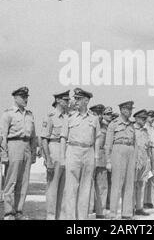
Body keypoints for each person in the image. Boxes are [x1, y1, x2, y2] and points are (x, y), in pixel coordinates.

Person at [60, 88, 100, 220]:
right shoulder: (69, 117)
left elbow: (97, 138)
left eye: (78, 99)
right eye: (75, 98)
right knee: (71, 188)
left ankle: (82, 219)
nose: (75, 101)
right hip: (73, 150)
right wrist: (62, 158)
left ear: (86, 101)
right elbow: (63, 138)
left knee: (85, 188)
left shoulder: (94, 118)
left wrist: (96, 158)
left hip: (88, 151)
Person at [0, 86, 38, 220]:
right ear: (15, 98)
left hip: (27, 146)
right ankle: (9, 212)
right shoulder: (8, 114)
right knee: (11, 181)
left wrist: (33, 153)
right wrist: (3, 154)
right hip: (13, 145)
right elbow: (2, 136)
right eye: (23, 97)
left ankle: (19, 211)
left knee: (24, 182)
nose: (26, 99)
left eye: (27, 97)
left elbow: (34, 136)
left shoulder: (29, 114)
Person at [105, 101, 136, 219]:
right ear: (122, 110)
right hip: (117, 150)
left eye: (131, 109)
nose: (130, 111)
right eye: (128, 109)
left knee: (129, 183)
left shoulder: (132, 125)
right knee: (117, 183)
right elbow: (108, 144)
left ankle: (127, 213)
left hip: (130, 151)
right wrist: (108, 160)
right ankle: (113, 212)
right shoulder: (113, 124)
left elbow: (135, 143)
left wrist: (136, 158)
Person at [41, 90, 69, 220]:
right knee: (52, 187)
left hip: (67, 150)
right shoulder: (50, 117)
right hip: (54, 148)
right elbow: (44, 139)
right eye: (65, 100)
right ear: (58, 100)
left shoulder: (67, 116)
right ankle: (51, 216)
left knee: (64, 187)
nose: (68, 102)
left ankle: (61, 216)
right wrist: (48, 159)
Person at [93, 106, 113, 218]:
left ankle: (100, 210)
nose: (99, 116)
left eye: (101, 113)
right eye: (97, 113)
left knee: (102, 185)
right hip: (90, 156)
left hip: (102, 158)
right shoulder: (93, 125)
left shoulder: (107, 127)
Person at [133, 109, 154, 216]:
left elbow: (149, 147)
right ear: (136, 118)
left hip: (145, 160)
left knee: (142, 185)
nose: (144, 120)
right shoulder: (132, 129)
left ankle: (139, 207)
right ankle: (130, 207)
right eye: (142, 118)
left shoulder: (146, 131)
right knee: (132, 184)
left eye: (145, 118)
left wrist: (150, 161)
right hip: (135, 160)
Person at [143, 110, 154, 209]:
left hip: (153, 154)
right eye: (150, 117)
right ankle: (142, 201)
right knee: (144, 179)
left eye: (153, 117)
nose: (152, 119)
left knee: (152, 179)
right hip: (145, 154)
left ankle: (150, 201)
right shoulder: (144, 128)